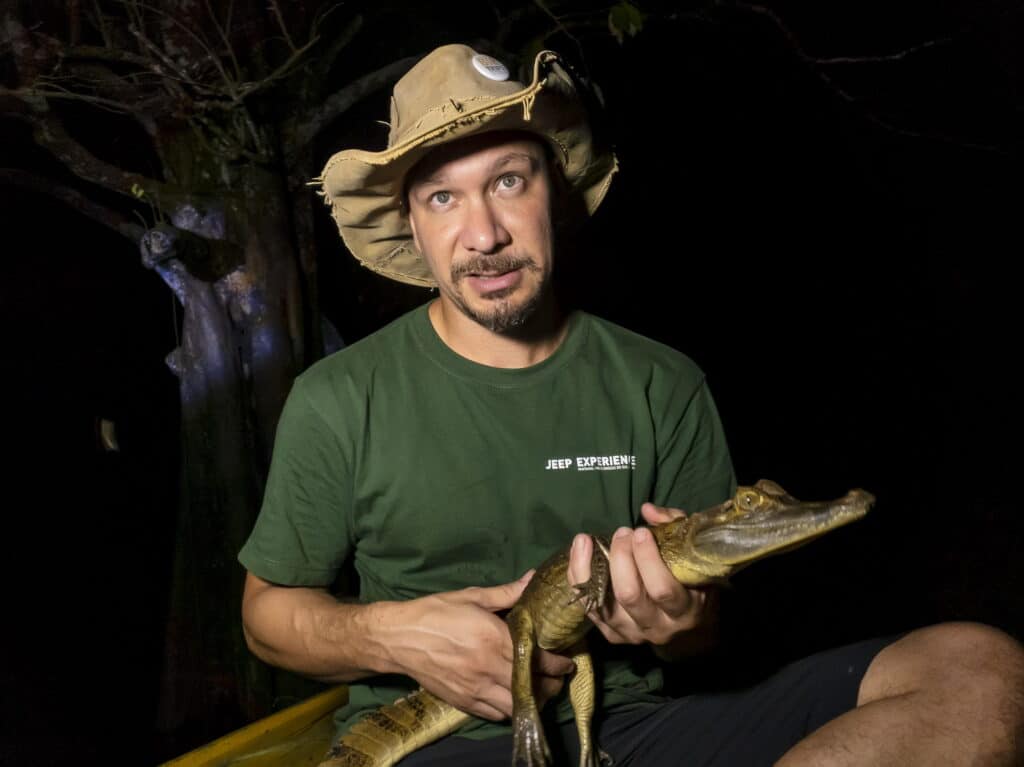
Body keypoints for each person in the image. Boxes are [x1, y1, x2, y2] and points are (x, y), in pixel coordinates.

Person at [239, 44, 1024, 765]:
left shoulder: (661, 381)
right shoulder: (340, 396)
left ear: (558, 192)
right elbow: (265, 616)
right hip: (436, 742)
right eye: (442, 197)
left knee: (982, 669)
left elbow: (703, 637)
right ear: (412, 224)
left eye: (508, 180)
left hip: (633, 729)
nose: (482, 233)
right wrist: (391, 633)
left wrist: (681, 624)